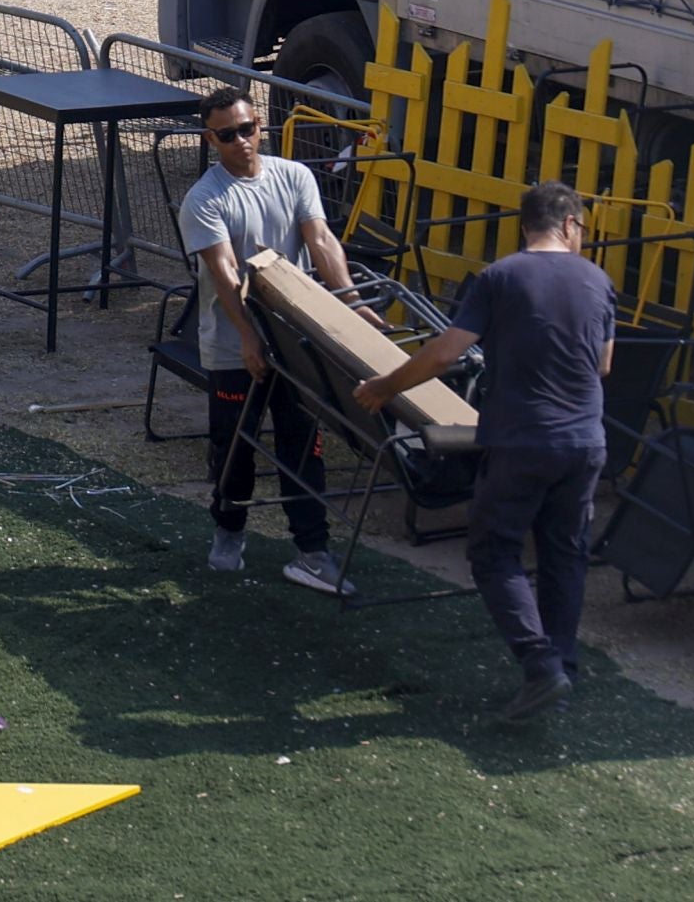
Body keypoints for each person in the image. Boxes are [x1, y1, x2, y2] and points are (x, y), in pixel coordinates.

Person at [354, 181, 615, 720]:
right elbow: (603, 365)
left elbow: (446, 353)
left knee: (495, 552)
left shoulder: (501, 277)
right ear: (570, 225)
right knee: (564, 554)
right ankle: (563, 665)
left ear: (530, 224)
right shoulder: (598, 280)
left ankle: (539, 664)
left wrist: (386, 386)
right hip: (586, 441)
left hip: (521, 439)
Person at [179, 88, 383, 595]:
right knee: (234, 450)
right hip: (233, 348)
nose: (241, 141)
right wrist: (249, 338)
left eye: (247, 129)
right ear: (211, 139)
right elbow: (225, 274)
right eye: (227, 135)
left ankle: (312, 551)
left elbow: (321, 241)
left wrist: (353, 306)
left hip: (296, 344)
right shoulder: (204, 199)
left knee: (302, 446)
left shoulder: (295, 177)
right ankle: (229, 530)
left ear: (260, 126)